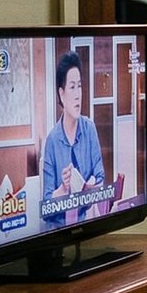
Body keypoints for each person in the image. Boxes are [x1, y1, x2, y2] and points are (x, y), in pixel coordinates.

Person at [40, 49, 105, 228]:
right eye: (72, 87)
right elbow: (46, 207)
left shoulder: (89, 128)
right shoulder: (52, 140)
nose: (78, 94)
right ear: (61, 94)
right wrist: (63, 188)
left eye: (80, 86)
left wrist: (90, 185)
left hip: (85, 227)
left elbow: (100, 178)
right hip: (57, 232)